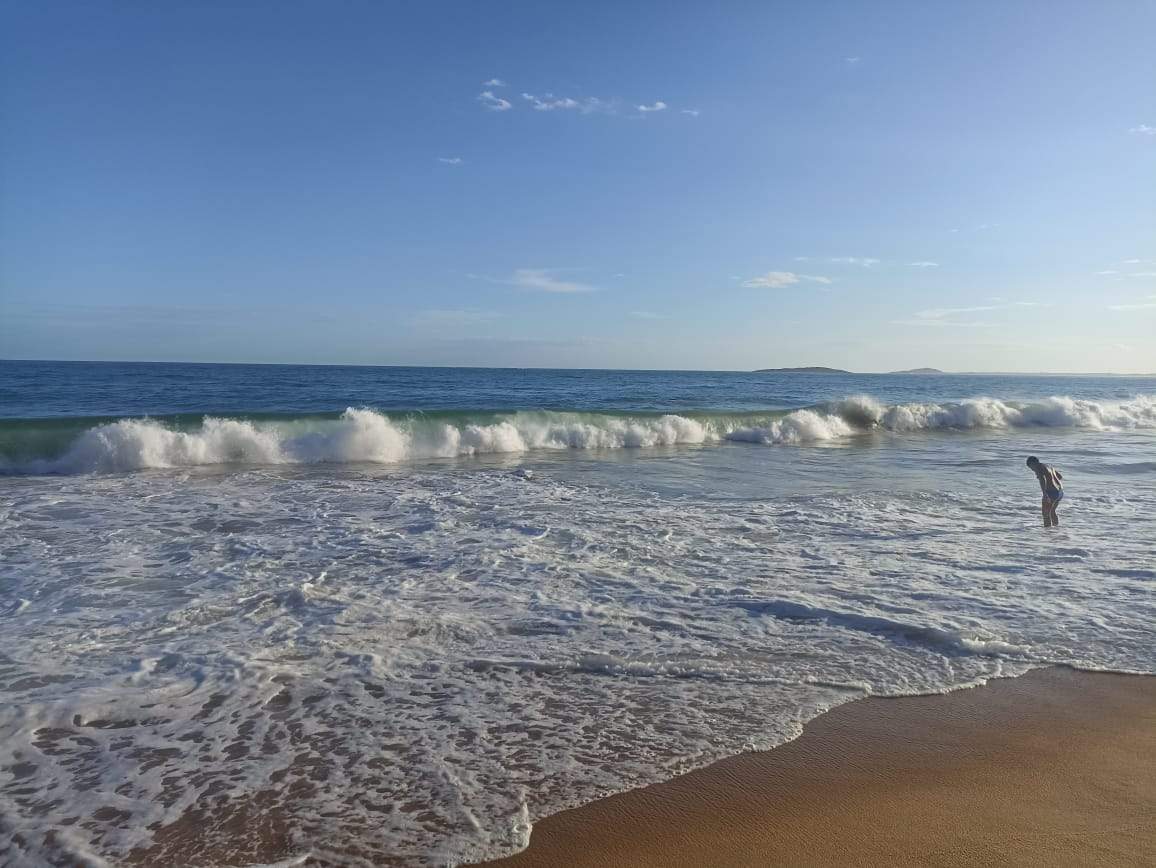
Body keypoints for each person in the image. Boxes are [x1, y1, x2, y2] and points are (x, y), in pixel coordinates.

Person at [1026, 456, 1063, 527]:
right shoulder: (1049, 467)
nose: (1033, 470)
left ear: (1033, 463)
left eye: (1031, 468)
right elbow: (1060, 477)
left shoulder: (1038, 467)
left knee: (1046, 515)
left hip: (1051, 492)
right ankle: (1056, 530)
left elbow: (1043, 480)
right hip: (1060, 492)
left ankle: (1047, 535)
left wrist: (1045, 494)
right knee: (1052, 512)